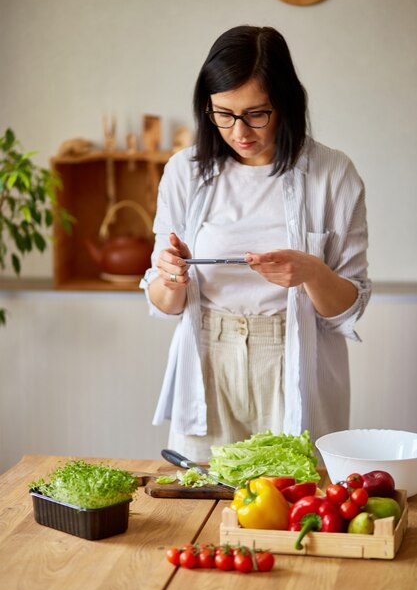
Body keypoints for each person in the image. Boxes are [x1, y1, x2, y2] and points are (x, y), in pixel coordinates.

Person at [140, 25, 371, 461]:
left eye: (256, 113)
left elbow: (348, 307)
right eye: (223, 114)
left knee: (290, 503)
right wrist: (171, 277)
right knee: (201, 497)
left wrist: (311, 272)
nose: (239, 131)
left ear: (285, 103)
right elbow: (164, 302)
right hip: (209, 355)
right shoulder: (184, 171)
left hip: (293, 357)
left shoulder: (333, 173)